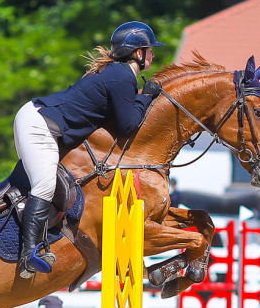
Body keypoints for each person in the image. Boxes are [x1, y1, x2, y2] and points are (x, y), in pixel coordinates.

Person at [12, 21, 165, 279]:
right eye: (150, 50)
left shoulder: (118, 73)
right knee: (45, 186)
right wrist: (146, 96)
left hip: (42, 122)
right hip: (40, 125)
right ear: (137, 53)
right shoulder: (122, 76)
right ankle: (28, 255)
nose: (153, 54)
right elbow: (128, 126)